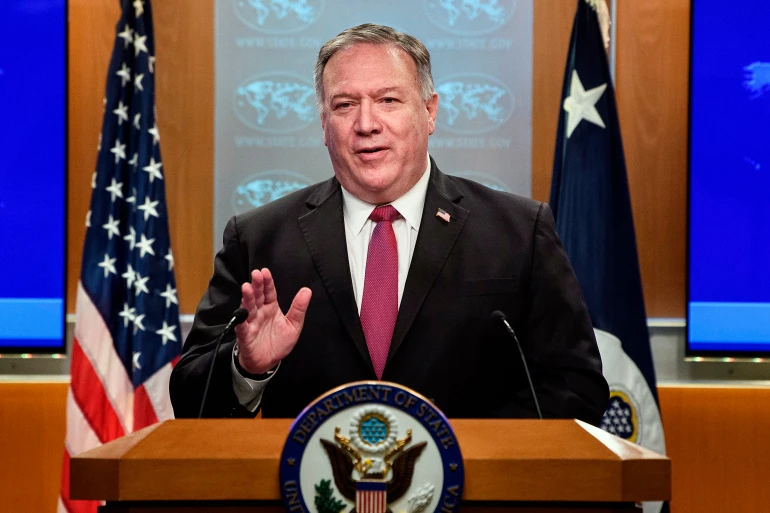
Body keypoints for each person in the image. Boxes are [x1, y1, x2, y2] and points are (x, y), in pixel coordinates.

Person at [169, 24, 609, 423]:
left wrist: (458, 454)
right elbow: (190, 399)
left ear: (430, 111)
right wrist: (247, 369)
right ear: (324, 125)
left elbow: (576, 387)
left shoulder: (519, 232)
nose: (366, 124)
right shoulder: (259, 239)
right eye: (345, 105)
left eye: (388, 100)